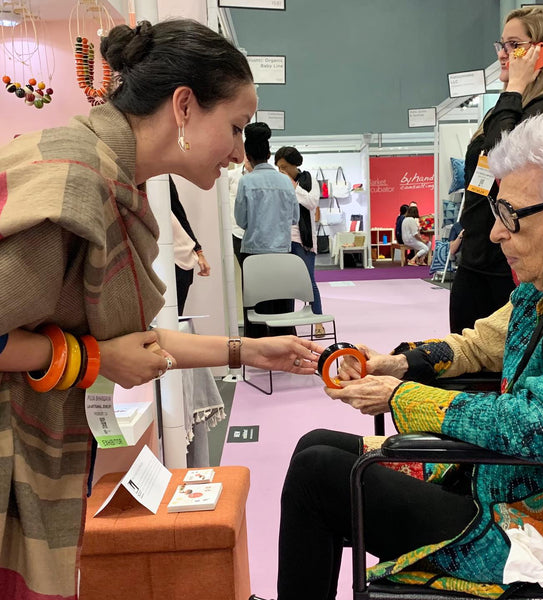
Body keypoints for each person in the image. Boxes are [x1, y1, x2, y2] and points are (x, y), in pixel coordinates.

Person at [0, 20, 322, 600]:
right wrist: (88, 357)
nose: (235, 152)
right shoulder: (78, 180)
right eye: (235, 127)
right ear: (183, 106)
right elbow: (105, 351)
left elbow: (138, 345)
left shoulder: (117, 179)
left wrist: (249, 349)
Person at [268, 111, 543, 600]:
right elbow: (480, 343)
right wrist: (396, 364)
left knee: (319, 476)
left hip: (535, 530)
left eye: (512, 216)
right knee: (316, 444)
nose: (495, 234)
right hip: (491, 478)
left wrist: (404, 397)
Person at [449, 5, 543, 334]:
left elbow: (503, 156)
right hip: (476, 254)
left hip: (509, 262)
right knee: (461, 357)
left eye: (514, 45)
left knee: (499, 371)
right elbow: (483, 179)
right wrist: (469, 228)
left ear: (541, 50)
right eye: (502, 45)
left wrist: (515, 86)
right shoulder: (509, 105)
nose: (504, 55)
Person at [235, 123, 299, 337]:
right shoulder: (286, 182)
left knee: (256, 305)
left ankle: (259, 350)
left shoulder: (246, 182)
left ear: (248, 155)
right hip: (282, 250)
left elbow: (241, 220)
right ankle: (285, 345)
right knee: (282, 304)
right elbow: (295, 218)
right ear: (270, 154)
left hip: (253, 252)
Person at [274, 146, 325, 337]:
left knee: (309, 282)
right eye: (279, 167)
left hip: (303, 240)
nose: (282, 171)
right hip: (281, 239)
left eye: (285, 167)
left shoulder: (309, 180)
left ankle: (318, 321)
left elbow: (312, 203)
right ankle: (288, 325)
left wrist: (293, 186)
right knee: (284, 286)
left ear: (295, 165)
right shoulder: (277, 182)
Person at [169, 174, 211, 315]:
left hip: (180, 259)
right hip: (153, 259)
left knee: (175, 318)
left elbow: (179, 213)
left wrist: (199, 251)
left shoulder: (161, 178)